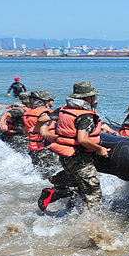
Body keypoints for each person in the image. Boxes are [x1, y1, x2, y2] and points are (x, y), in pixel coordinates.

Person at [44, 81, 109, 211]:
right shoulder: (86, 116)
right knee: (93, 192)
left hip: (65, 156)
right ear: (87, 98)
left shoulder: (64, 109)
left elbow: (41, 119)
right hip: (79, 157)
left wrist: (40, 130)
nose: (95, 100)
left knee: (77, 187)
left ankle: (55, 194)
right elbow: (83, 139)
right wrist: (100, 149)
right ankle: (93, 222)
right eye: (94, 97)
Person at [24, 91, 60, 173]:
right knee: (54, 174)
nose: (51, 101)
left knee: (39, 173)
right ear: (44, 101)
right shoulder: (44, 114)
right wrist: (59, 137)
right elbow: (44, 133)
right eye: (49, 99)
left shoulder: (28, 113)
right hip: (45, 150)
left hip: (32, 149)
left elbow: (25, 132)